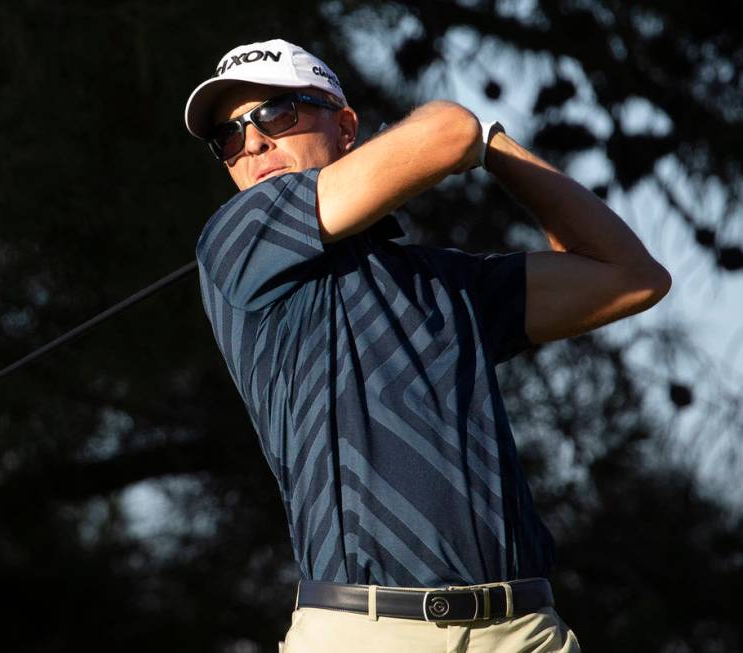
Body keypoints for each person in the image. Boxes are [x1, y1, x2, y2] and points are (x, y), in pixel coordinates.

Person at [184, 38, 670, 652]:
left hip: (523, 631)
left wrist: (497, 147)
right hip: (366, 631)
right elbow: (448, 130)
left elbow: (632, 278)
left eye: (277, 115)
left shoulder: (447, 282)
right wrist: (474, 136)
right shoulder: (236, 239)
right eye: (228, 137)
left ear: (346, 127)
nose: (252, 143)